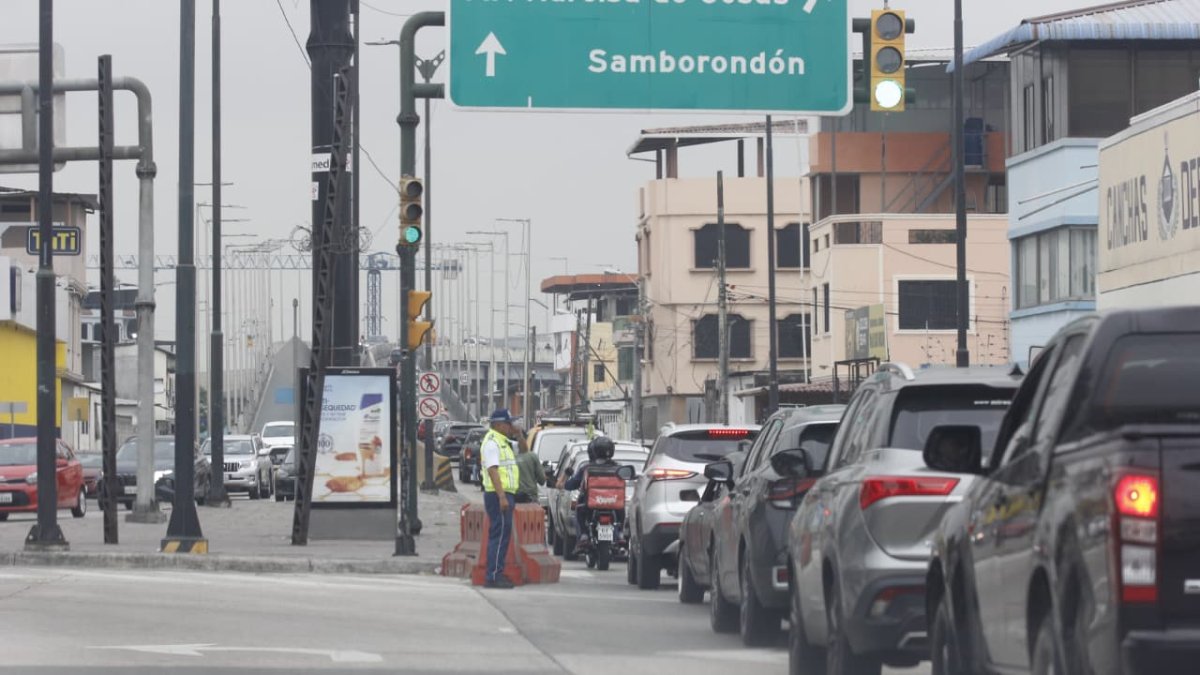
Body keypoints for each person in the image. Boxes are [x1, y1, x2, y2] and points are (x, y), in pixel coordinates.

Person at [480, 409, 525, 589]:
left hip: (506, 494)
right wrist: (501, 497)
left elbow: (524, 449)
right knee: (498, 536)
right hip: (498, 495)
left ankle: (496, 573)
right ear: (498, 424)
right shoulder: (492, 443)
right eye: (507, 423)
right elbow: (493, 471)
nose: (510, 426)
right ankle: (492, 576)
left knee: (503, 536)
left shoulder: (504, 442)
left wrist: (519, 435)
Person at [561, 436, 619, 553]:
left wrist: (567, 478)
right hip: (612, 503)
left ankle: (583, 535)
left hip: (590, 505)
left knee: (579, 511)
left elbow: (570, 485)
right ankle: (619, 534)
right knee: (619, 512)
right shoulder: (617, 467)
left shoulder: (586, 468)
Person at [514, 427, 545, 505]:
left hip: (514, 496)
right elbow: (542, 480)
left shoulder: (511, 458)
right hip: (530, 497)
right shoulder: (532, 457)